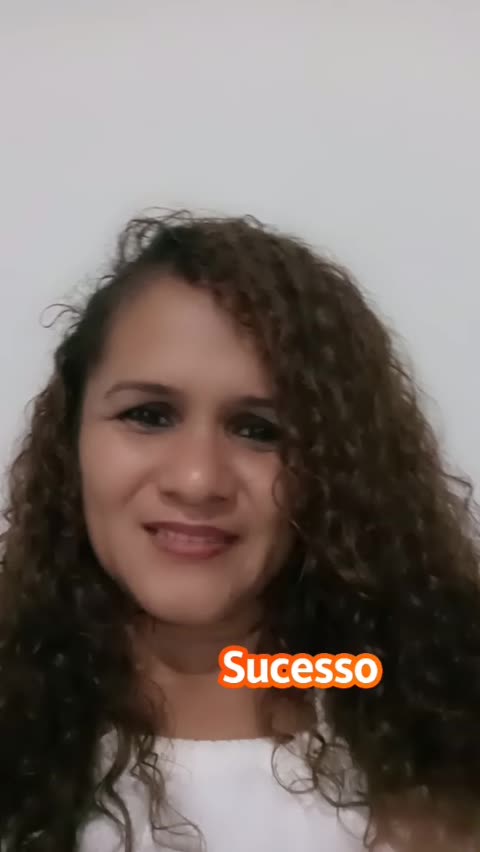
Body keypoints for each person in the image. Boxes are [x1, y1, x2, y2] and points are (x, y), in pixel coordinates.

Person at [1, 211, 480, 852]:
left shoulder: (446, 751)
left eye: (260, 430)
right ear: (71, 440)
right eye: (149, 415)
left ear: (338, 466)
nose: (198, 480)